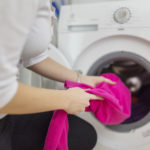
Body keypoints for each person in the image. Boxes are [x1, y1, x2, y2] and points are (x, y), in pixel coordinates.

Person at [0, 0, 115, 150]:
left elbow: (34, 57)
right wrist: (65, 100)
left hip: (6, 113)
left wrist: (82, 79)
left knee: (82, 134)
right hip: (4, 104)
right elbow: (2, 93)